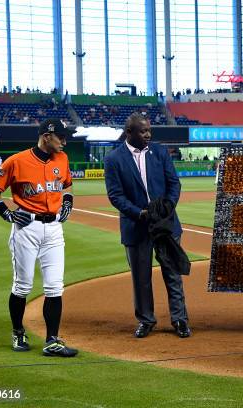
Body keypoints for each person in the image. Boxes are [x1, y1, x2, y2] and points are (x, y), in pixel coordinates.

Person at [0, 118, 78, 357]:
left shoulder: (62, 159)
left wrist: (67, 201)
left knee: (55, 287)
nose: (65, 142)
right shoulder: (17, 161)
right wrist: (6, 214)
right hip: (27, 228)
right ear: (46, 136)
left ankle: (52, 340)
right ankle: (18, 331)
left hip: (54, 228)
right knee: (22, 285)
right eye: (61, 137)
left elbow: (67, 184)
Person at [104, 112, 191, 339]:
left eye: (149, 130)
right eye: (143, 131)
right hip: (137, 226)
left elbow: (174, 183)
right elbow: (115, 196)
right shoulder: (114, 159)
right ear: (129, 132)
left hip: (166, 225)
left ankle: (180, 319)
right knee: (141, 278)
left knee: (172, 274)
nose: (148, 134)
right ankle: (146, 320)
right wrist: (140, 213)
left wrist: (167, 208)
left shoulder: (160, 152)